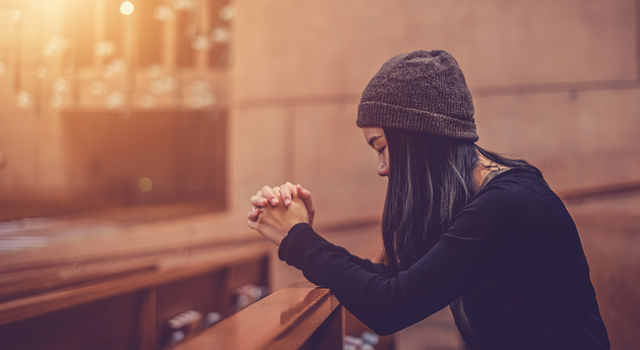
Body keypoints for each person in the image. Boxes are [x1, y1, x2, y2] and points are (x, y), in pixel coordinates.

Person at [247, 50, 610, 349]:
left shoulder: (508, 203)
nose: (382, 168)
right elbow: (397, 279)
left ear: (417, 139)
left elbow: (390, 306)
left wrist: (298, 239)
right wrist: (303, 235)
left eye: (382, 147)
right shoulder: (482, 200)